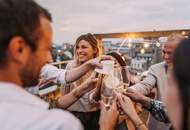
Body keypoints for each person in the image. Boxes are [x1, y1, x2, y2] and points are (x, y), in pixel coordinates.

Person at [0, 0, 111, 129]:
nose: (50, 58)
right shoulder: (59, 124)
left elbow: (53, 103)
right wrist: (106, 127)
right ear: (19, 49)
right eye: (47, 49)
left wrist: (81, 89)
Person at [128, 34, 185, 130]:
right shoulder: (157, 68)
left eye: (170, 53)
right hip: (158, 126)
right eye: (164, 52)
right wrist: (130, 90)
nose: (165, 56)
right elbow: (145, 85)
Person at [61, 33, 102, 130]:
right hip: (75, 115)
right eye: (78, 47)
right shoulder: (71, 67)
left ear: (95, 50)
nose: (79, 51)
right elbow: (63, 94)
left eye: (84, 47)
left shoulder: (100, 67)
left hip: (95, 115)